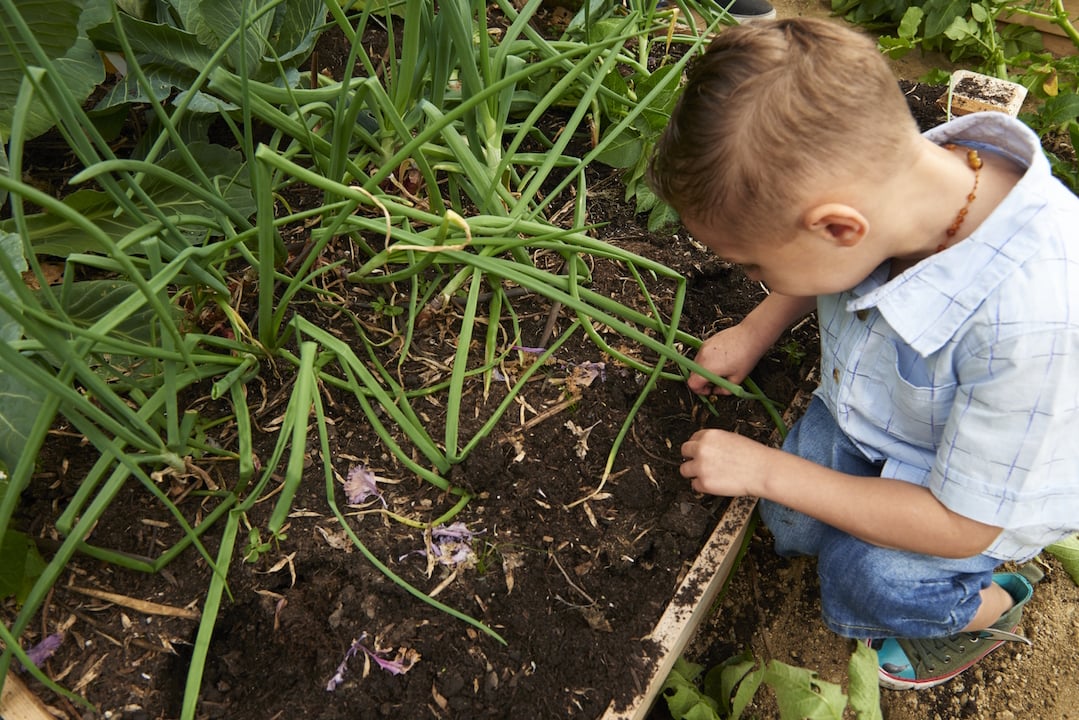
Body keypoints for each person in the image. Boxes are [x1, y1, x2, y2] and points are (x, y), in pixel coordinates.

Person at [647, 17, 1079, 690]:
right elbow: (838, 262)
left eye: (757, 267)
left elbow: (959, 522)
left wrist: (764, 469)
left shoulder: (1027, 321)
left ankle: (986, 605)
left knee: (866, 577)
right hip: (883, 413)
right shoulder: (906, 185)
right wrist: (758, 327)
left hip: (976, 503)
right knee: (791, 526)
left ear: (837, 226)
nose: (759, 279)